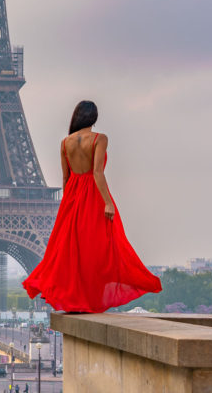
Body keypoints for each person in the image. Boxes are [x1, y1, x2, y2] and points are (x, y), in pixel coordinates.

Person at [22, 100, 162, 312]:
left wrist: (67, 205)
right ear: (94, 118)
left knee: (73, 250)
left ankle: (75, 299)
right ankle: (91, 297)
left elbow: (65, 178)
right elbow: (97, 173)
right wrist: (107, 202)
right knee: (99, 247)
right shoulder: (99, 138)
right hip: (92, 195)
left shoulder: (65, 142)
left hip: (72, 197)